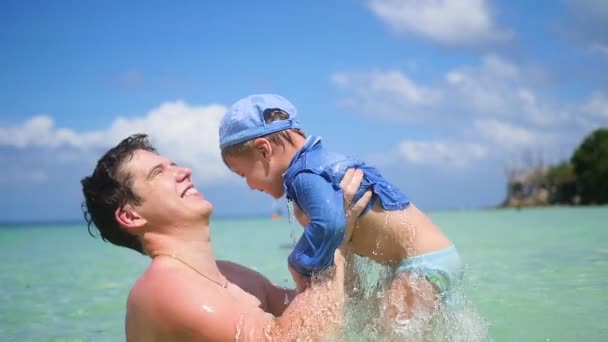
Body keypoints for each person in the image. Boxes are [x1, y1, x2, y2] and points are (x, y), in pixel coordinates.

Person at [80, 134, 372, 341]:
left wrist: (345, 234)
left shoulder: (232, 275)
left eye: (173, 164)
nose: (184, 171)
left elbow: (342, 309)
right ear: (131, 216)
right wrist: (329, 235)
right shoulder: (163, 291)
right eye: (158, 172)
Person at [219, 94, 464, 329]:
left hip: (420, 264)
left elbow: (330, 224)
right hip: (430, 258)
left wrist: (299, 263)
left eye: (243, 174)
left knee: (394, 332)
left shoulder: (304, 175)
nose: (250, 185)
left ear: (264, 150)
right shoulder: (322, 163)